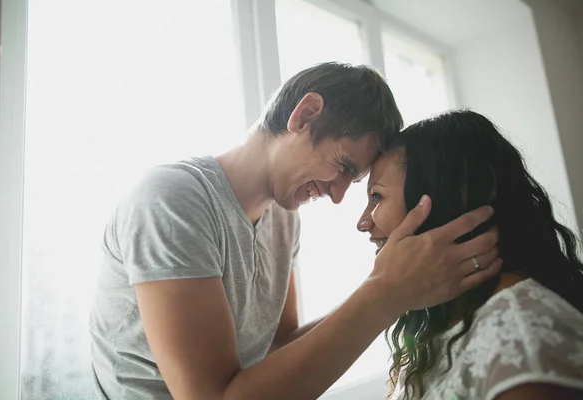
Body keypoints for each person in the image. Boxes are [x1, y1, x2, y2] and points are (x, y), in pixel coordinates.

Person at [89, 63, 501, 399]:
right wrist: (385, 293)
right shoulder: (172, 200)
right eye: (343, 167)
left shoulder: (285, 220)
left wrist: (396, 286)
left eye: (354, 183)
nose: (339, 197)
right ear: (304, 115)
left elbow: (278, 347)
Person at [357, 109, 583, 400]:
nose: (363, 223)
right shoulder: (436, 322)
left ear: (436, 202)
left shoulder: (520, 335)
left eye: (376, 196)